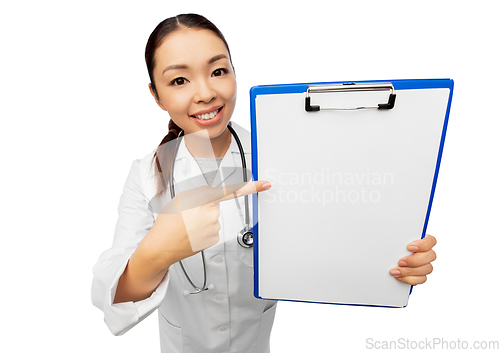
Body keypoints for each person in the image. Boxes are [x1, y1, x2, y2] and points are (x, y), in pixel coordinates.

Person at [91, 13, 437, 353]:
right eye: (180, 80)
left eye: (218, 71)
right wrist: (156, 252)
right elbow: (113, 297)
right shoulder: (146, 176)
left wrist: (391, 261)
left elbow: (332, 238)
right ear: (157, 95)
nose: (206, 93)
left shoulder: (280, 157)